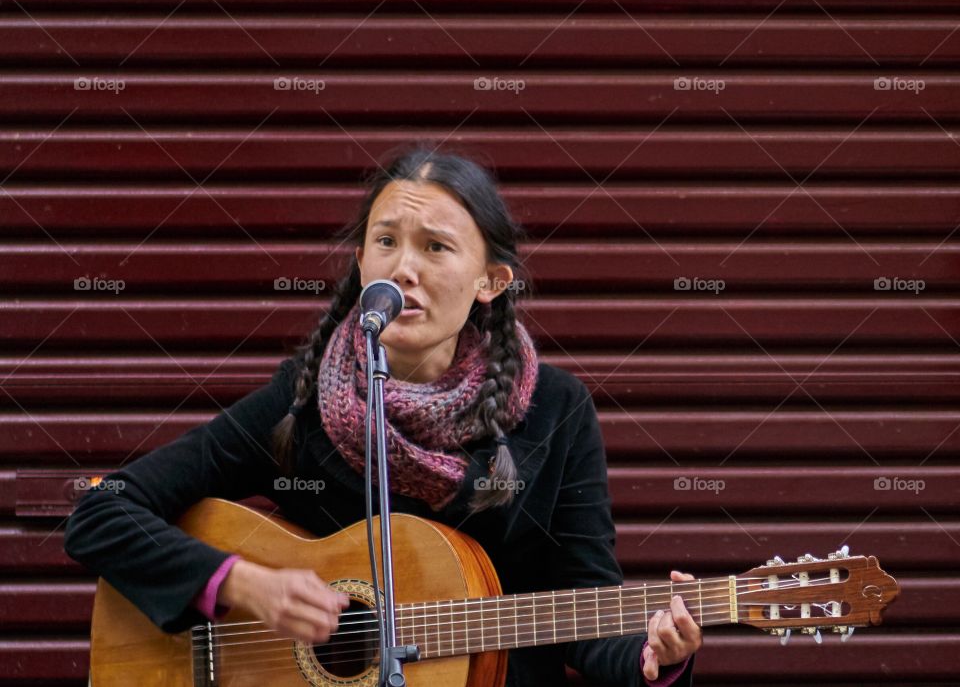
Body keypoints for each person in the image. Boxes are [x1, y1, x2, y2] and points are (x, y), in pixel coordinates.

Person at [64, 147, 702, 686]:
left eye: (436, 247)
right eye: (387, 241)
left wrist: (652, 657)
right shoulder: (305, 401)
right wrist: (244, 584)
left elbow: (582, 611)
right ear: (362, 263)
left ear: (491, 280)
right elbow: (100, 512)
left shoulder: (555, 412)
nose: (405, 268)